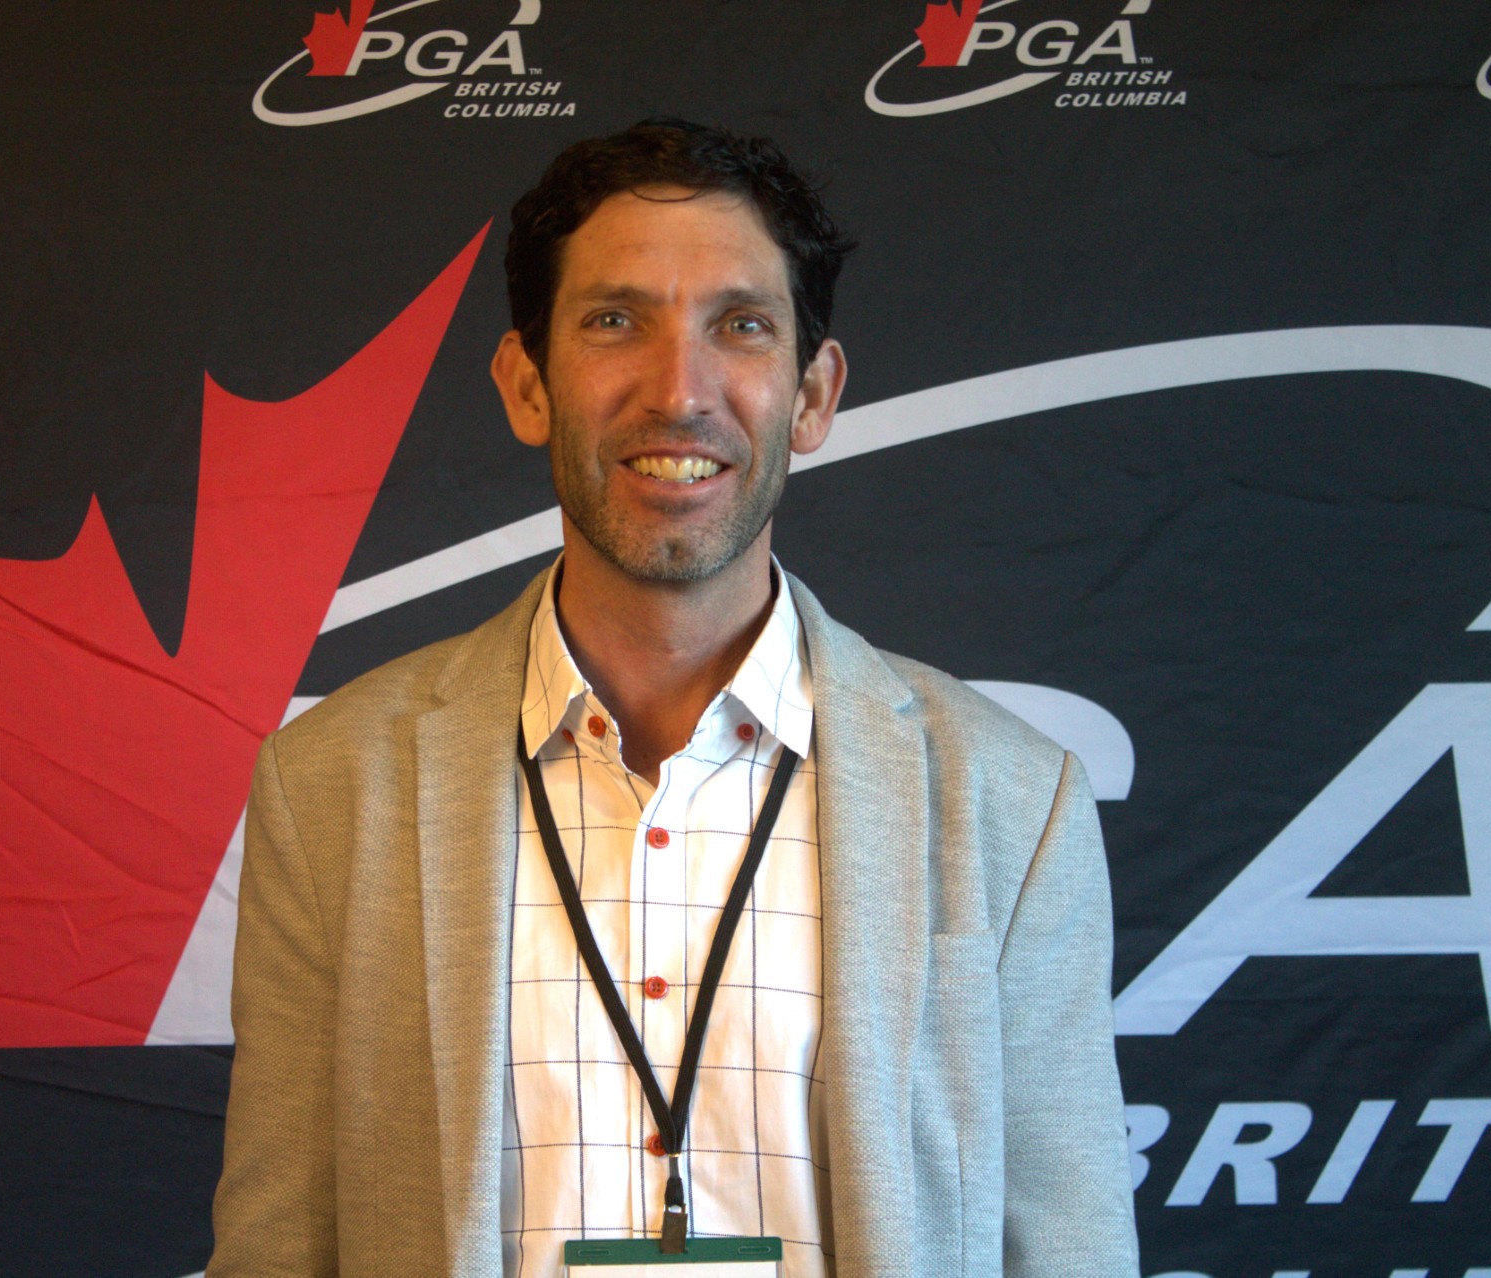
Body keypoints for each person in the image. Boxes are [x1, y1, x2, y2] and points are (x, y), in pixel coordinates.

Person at [209, 118, 1138, 1278]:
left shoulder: (1012, 800)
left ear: (812, 395)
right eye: (615, 321)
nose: (679, 390)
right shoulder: (330, 787)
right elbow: (277, 1247)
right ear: (527, 385)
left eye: (740, 326)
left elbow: (1070, 1246)